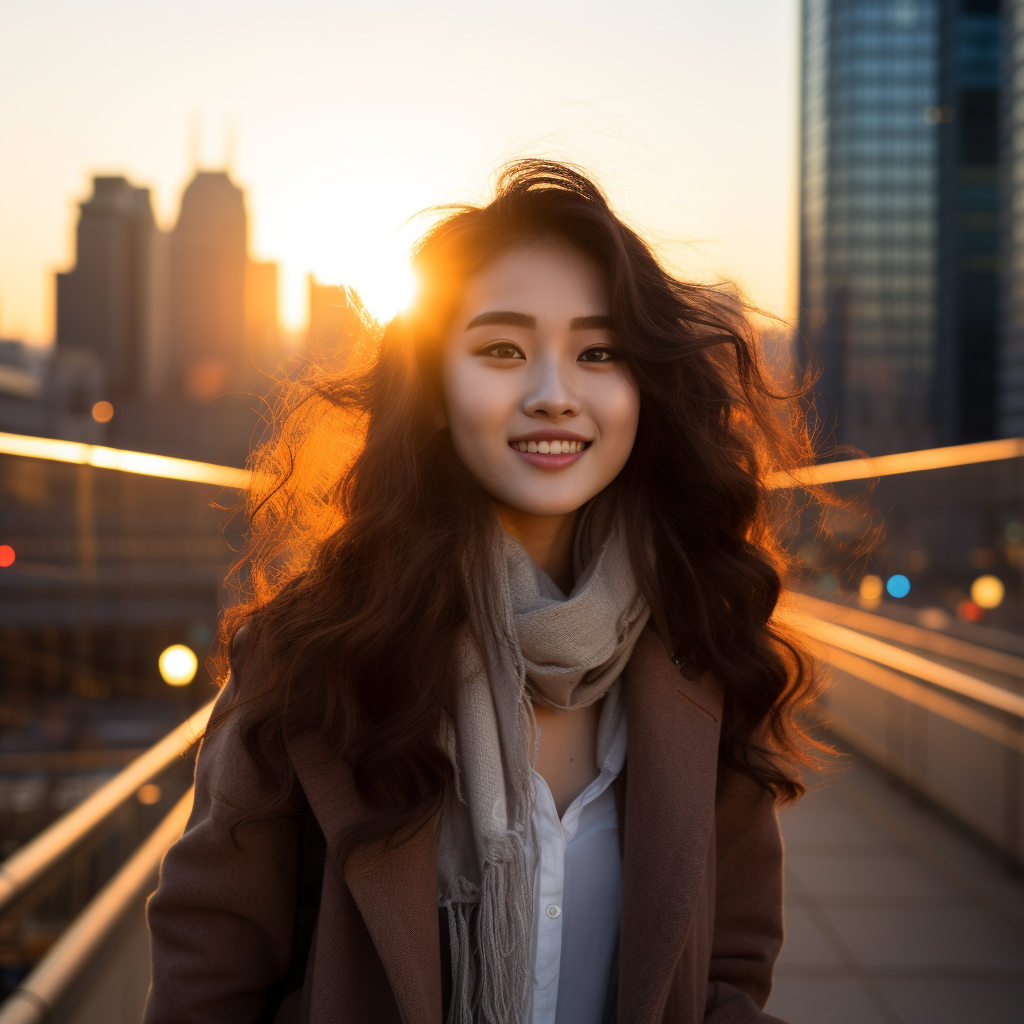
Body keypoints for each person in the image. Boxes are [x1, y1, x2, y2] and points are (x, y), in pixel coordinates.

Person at [144, 160, 819, 1024]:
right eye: (502, 350)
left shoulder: (706, 651)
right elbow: (208, 978)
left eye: (598, 352)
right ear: (432, 390)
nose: (552, 395)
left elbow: (728, 967)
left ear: (640, 387)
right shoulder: (312, 655)